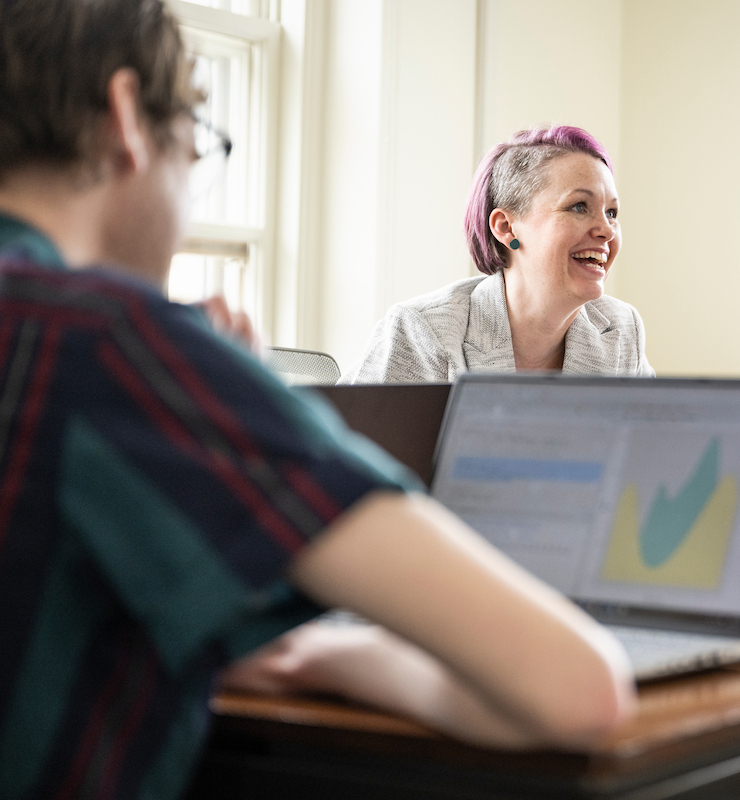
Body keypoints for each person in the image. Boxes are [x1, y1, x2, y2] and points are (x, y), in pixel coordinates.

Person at [0, 2, 635, 798]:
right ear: (127, 119)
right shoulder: (122, 348)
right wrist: (332, 655)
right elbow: (578, 686)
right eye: (200, 141)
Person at [340, 126, 653, 383]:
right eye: (579, 206)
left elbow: (653, 451)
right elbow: (350, 455)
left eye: (611, 212)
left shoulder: (622, 330)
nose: (607, 230)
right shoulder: (424, 331)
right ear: (506, 227)